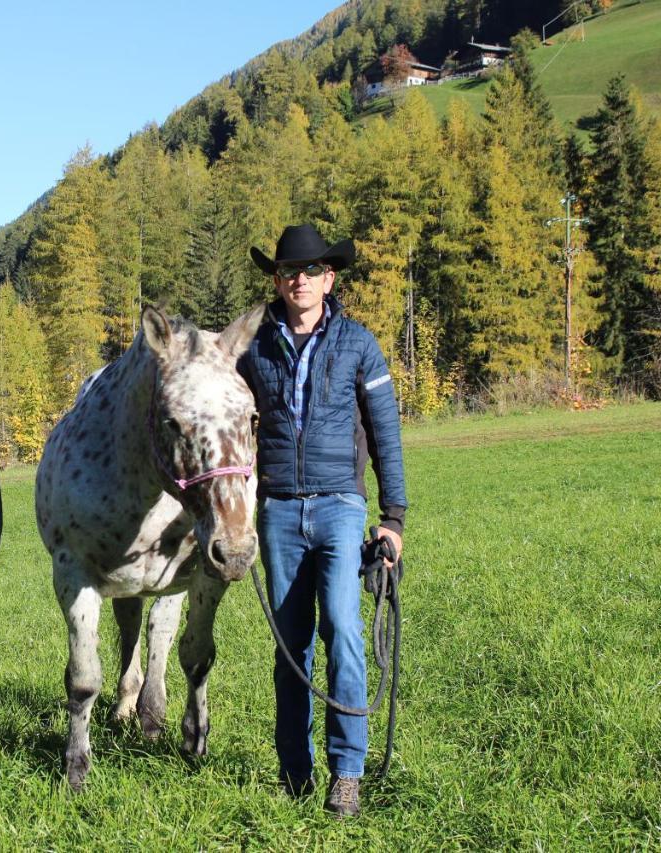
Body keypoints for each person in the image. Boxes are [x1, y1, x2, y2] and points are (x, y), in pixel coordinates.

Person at [238, 224, 407, 818]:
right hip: (279, 510)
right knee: (291, 648)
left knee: (343, 629)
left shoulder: (360, 344)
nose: (299, 279)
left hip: (341, 506)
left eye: (311, 270)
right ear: (278, 281)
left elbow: (386, 434)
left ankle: (347, 772)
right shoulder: (253, 351)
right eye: (289, 271)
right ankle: (294, 773)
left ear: (329, 278)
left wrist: (394, 519)